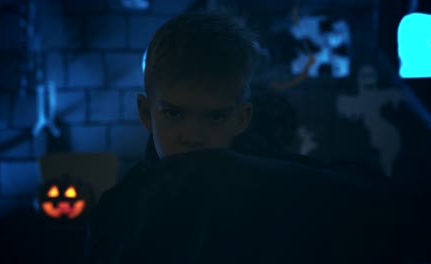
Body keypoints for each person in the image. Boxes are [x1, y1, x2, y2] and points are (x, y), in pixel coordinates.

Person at [84, 9, 415, 264]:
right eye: (174, 113)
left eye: (214, 116)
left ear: (242, 118)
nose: (193, 135)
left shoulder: (284, 190)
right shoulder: (121, 211)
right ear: (146, 113)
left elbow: (385, 211)